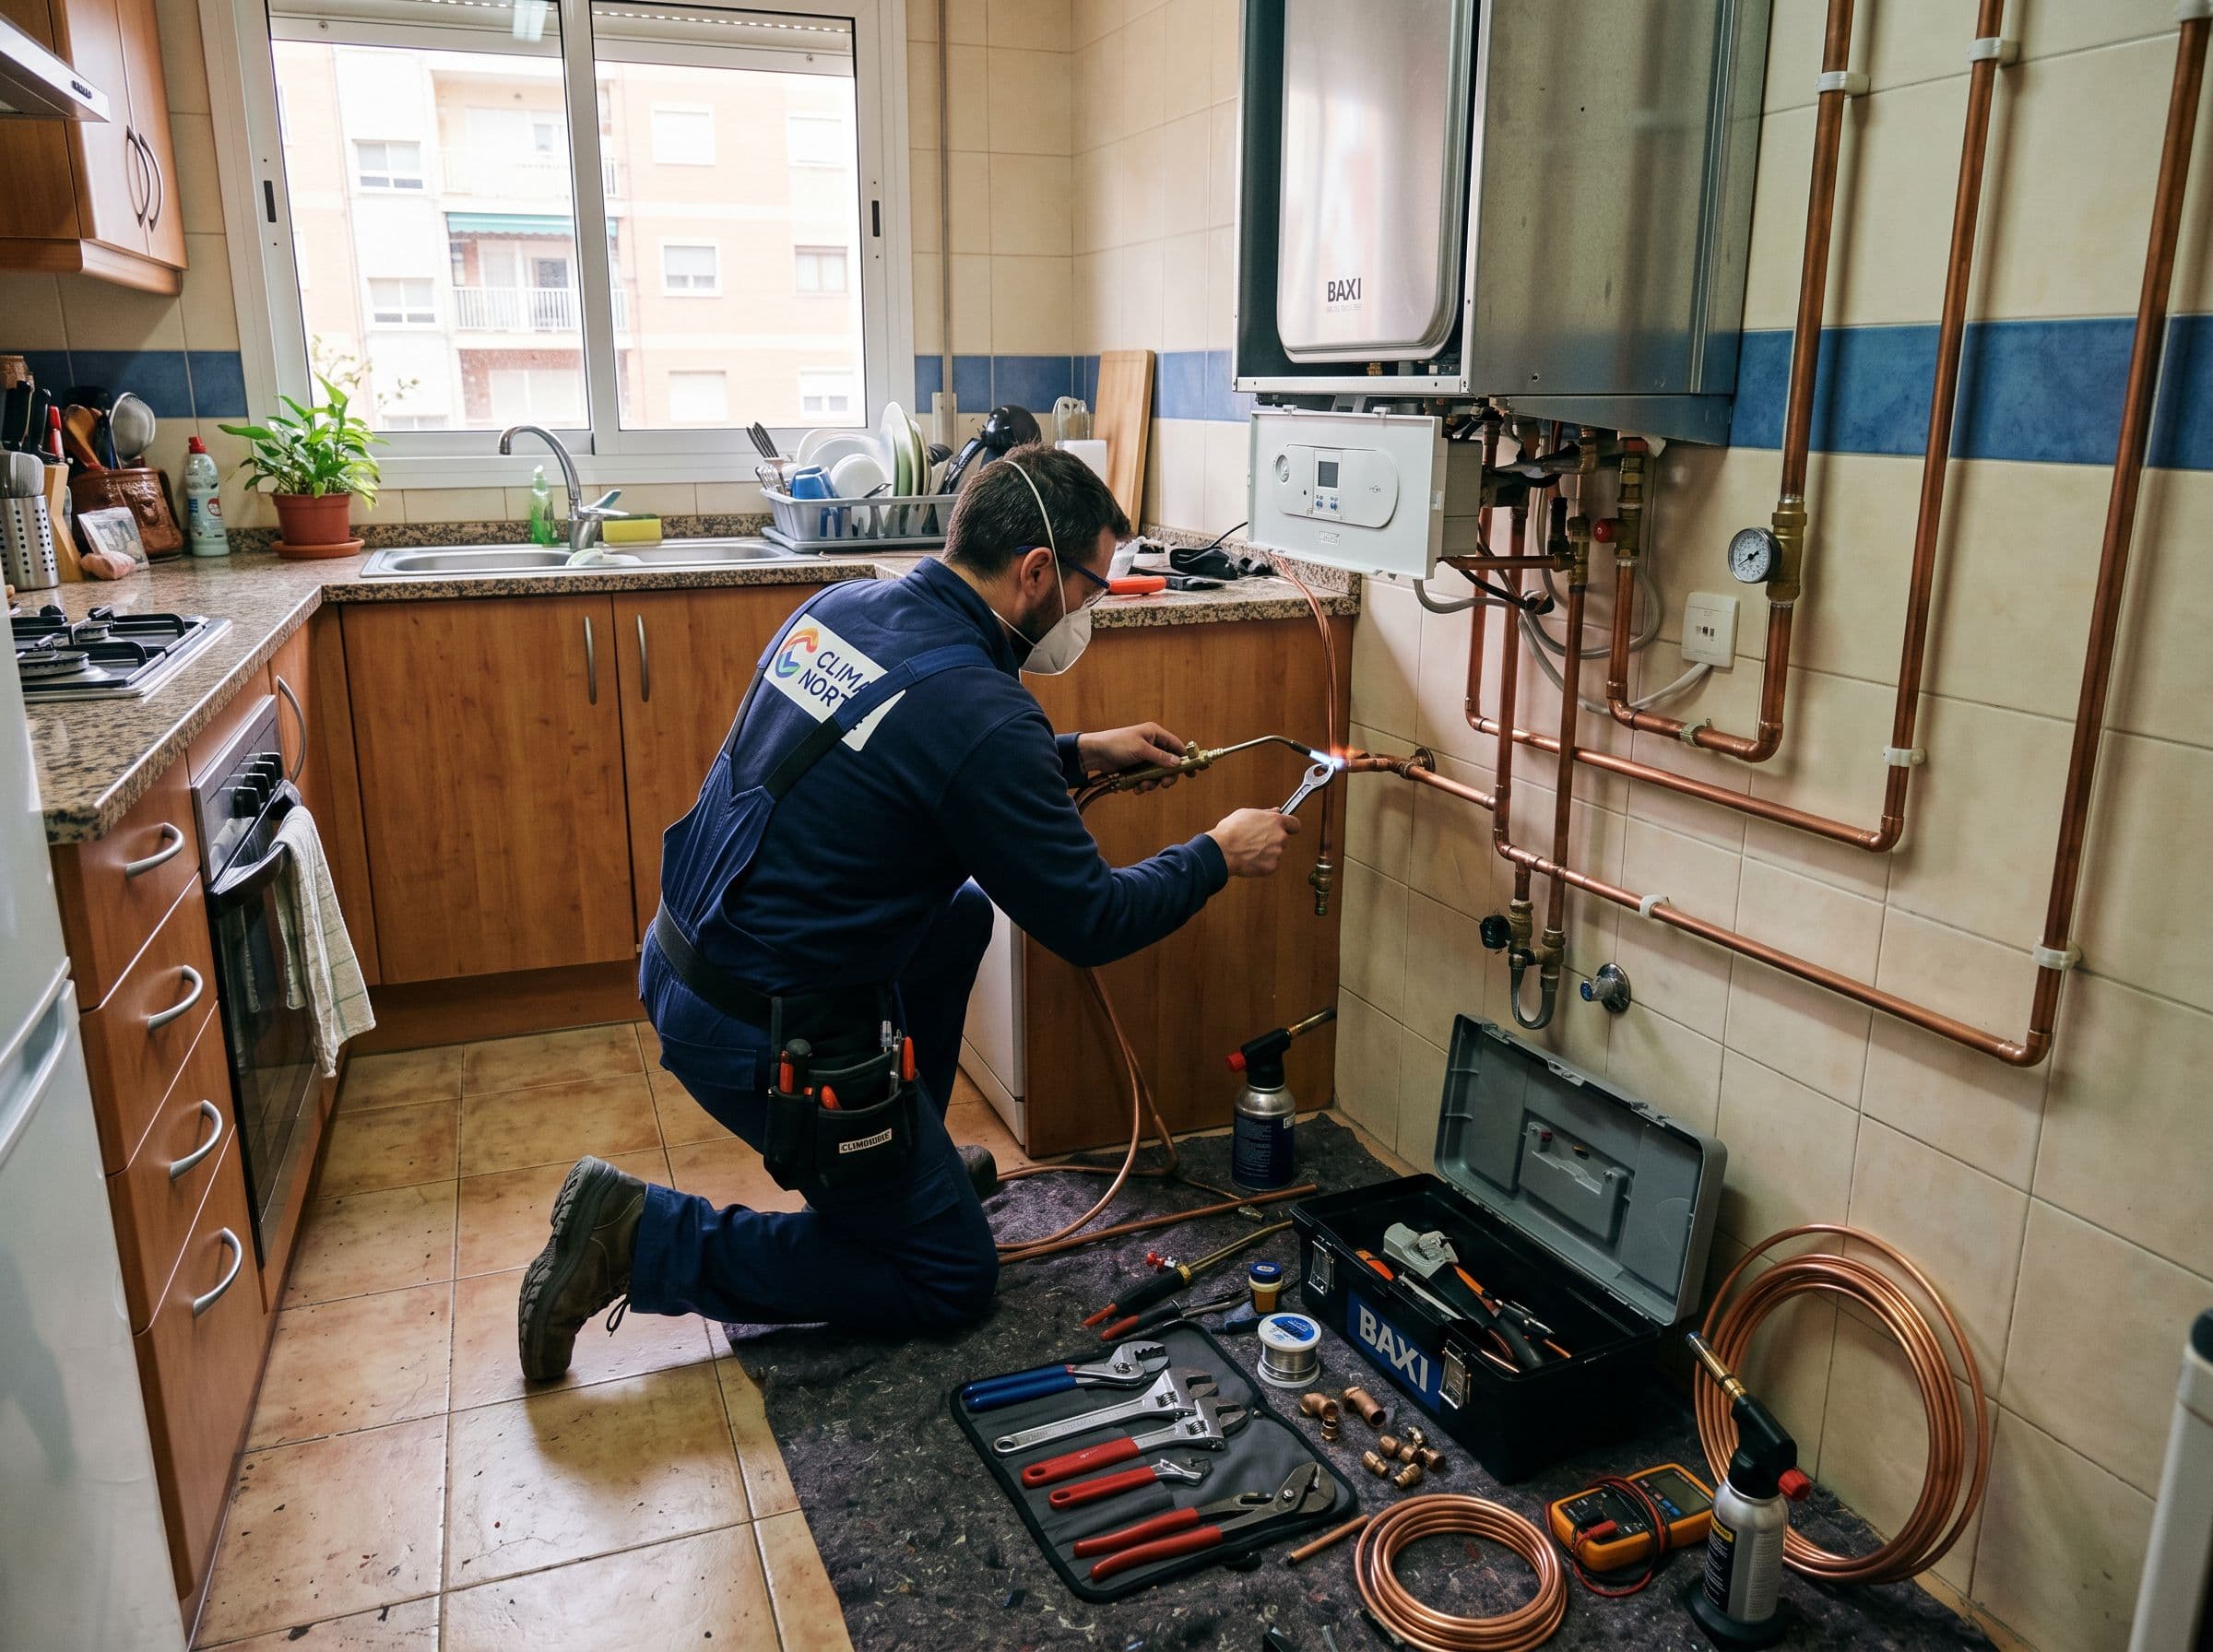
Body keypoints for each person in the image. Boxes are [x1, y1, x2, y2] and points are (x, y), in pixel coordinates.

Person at [517, 442, 1298, 1378]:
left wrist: (1078, 751)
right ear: (1036, 573)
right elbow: (1091, 920)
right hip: (757, 1031)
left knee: (960, 913)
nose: (1086, 613)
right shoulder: (983, 712)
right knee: (947, 1277)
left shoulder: (846, 604)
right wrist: (1218, 853)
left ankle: (896, 1160)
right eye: (1089, 590)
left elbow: (897, 759)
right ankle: (640, 1237)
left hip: (684, 957)